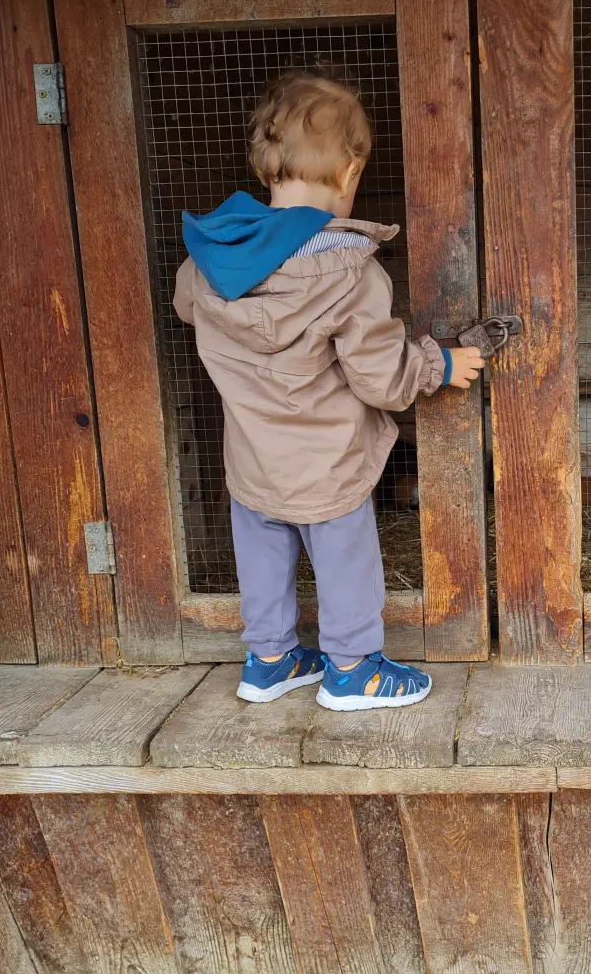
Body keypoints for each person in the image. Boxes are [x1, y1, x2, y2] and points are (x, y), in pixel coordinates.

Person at [174, 69, 484, 709]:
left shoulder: (212, 261)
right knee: (345, 562)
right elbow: (378, 377)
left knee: (260, 556)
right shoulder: (348, 271)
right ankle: (352, 669)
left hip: (252, 460)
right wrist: (439, 366)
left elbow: (186, 305)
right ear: (348, 174)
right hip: (326, 462)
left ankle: (269, 661)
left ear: (268, 170)